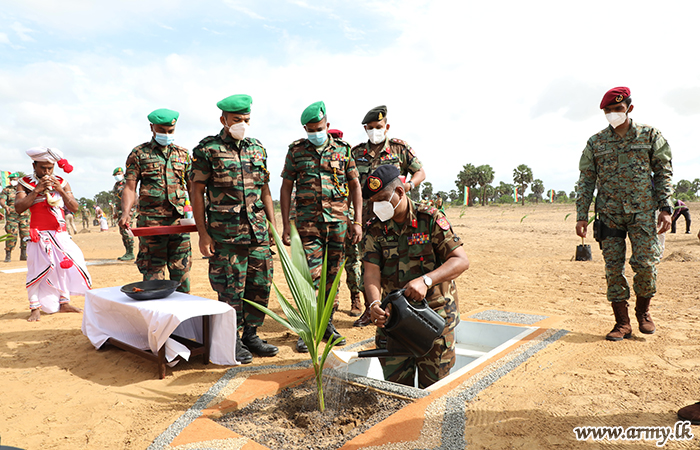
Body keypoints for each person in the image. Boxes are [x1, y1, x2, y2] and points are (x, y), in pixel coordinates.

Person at [575, 87, 673, 341]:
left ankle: (643, 312)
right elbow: (586, 180)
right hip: (609, 214)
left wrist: (666, 208)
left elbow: (663, 172)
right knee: (613, 269)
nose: (612, 115)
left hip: (643, 213)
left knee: (645, 266)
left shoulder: (650, 136)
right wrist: (581, 215)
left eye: (617, 109)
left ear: (629, 108)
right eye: (608, 111)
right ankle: (622, 322)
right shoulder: (596, 143)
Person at [362, 165, 469, 388]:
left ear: (400, 192)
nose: (377, 206)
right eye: (373, 201)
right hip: (394, 321)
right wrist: (373, 304)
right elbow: (371, 272)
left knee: (434, 392)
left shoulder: (429, 219)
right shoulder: (375, 229)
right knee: (397, 391)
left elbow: (460, 260)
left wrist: (426, 280)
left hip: (433, 320)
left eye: (382, 199)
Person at [190, 94, 278, 364]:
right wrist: (203, 233)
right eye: (237, 120)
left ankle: (251, 334)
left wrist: (273, 227)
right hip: (226, 235)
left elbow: (265, 189)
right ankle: (233, 338)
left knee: (259, 286)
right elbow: (196, 191)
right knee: (230, 289)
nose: (242, 124)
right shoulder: (208, 149)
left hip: (258, 233)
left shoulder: (257, 148)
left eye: (247, 120)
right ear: (223, 120)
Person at [280, 101, 363, 353]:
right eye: (310, 129)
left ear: (327, 124)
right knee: (310, 277)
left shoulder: (343, 150)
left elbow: (355, 186)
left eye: (318, 127)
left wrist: (356, 221)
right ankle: (308, 327)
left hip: (338, 223)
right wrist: (286, 225)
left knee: (332, 276)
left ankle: (326, 325)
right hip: (307, 226)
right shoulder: (296, 151)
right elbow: (285, 187)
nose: (314, 132)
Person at [351, 105, 427, 327]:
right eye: (371, 128)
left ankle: (394, 307)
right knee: (368, 263)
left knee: (393, 260)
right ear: (366, 129)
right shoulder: (356, 153)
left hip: (393, 215)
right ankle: (370, 308)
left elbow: (420, 171)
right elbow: (352, 186)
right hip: (367, 218)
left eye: (379, 127)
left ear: (387, 127)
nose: (375, 131)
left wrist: (408, 186)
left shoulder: (399, 148)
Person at [119, 108, 192, 292]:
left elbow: (193, 187)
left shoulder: (183, 155)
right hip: (151, 225)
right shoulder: (139, 153)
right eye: (162, 130)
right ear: (152, 128)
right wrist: (125, 213)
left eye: (170, 131)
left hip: (179, 223)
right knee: (153, 277)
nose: (166, 134)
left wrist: (200, 214)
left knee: (181, 273)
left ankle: (183, 318)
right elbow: (130, 187)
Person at [14, 147, 91, 322]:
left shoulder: (62, 182)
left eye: (50, 168)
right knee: (36, 269)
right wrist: (36, 191)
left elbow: (74, 208)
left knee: (65, 265)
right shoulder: (25, 182)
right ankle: (35, 307)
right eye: (43, 168)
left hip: (60, 234)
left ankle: (64, 303)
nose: (47, 172)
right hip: (38, 234)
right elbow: (19, 208)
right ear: (34, 165)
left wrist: (61, 191)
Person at [329, 128, 363, 317]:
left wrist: (353, 220)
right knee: (332, 263)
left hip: (347, 217)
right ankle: (331, 303)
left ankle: (355, 297)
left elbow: (354, 188)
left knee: (353, 261)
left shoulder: (347, 159)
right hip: (331, 220)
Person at [0, 172, 30, 262]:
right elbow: (2, 200)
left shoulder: (25, 189)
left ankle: (23, 255)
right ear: (10, 180)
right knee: (12, 235)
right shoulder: (7, 190)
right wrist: (5, 206)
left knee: (25, 235)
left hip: (24, 216)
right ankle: (8, 255)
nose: (14, 181)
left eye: (16, 180)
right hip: (12, 216)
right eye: (13, 180)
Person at [111, 167, 135, 260]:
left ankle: (131, 252)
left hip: (128, 212)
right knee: (122, 232)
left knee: (127, 231)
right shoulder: (116, 185)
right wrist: (116, 212)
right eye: (116, 175)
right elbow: (117, 200)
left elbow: (132, 197)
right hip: (120, 211)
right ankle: (127, 251)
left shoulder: (127, 183)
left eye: (119, 174)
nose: (117, 176)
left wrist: (129, 213)